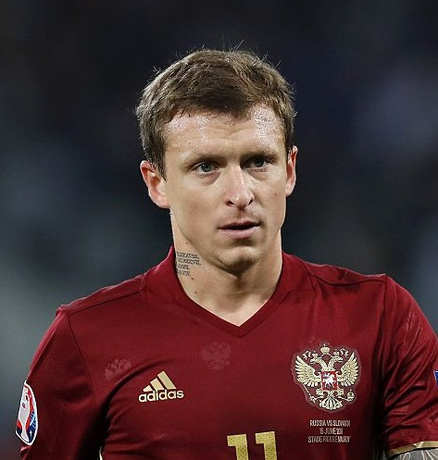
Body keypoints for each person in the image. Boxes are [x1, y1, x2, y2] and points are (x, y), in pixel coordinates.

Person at [16, 49, 438, 459]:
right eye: (206, 167)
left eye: (258, 162)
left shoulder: (380, 317)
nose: (240, 194)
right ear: (157, 183)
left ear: (289, 171)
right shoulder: (86, 340)